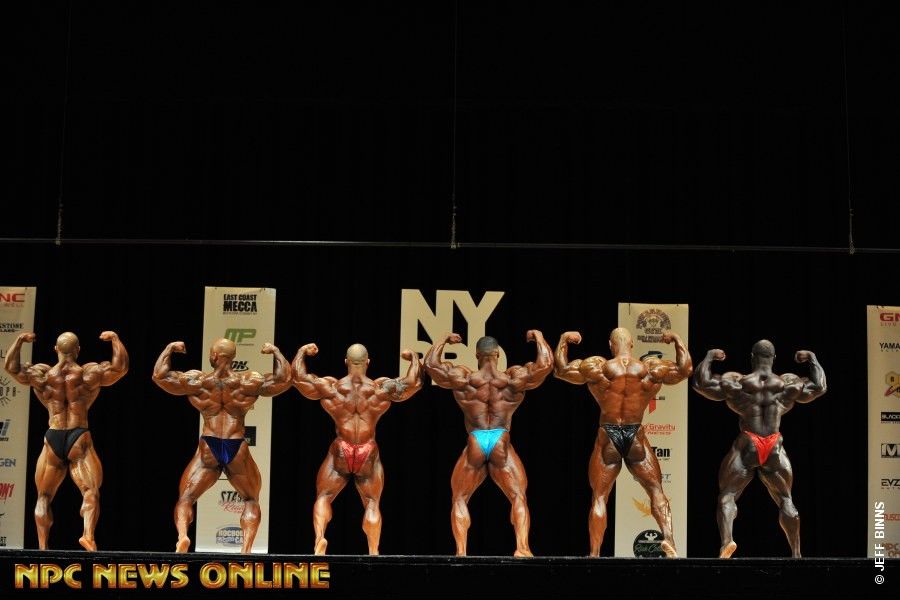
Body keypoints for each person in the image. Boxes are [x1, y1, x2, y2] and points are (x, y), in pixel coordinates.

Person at [554, 328, 691, 558]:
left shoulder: (597, 368)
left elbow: (561, 370)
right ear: (632, 344)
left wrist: (563, 339)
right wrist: (677, 339)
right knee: (656, 490)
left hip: (608, 435)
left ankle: (594, 554)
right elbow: (685, 369)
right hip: (635, 433)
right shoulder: (649, 368)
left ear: (611, 345)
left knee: (599, 496)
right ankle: (669, 541)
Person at [152, 338, 291, 553]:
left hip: (210, 444)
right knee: (251, 499)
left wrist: (169, 349)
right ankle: (246, 551)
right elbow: (284, 379)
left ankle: (182, 536)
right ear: (233, 357)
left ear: (214, 356)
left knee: (186, 498)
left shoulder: (198, 382)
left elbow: (159, 376)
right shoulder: (247, 382)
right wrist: (276, 351)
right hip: (236, 445)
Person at [692, 340, 826, 558]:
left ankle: (726, 542)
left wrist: (709, 357)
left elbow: (700, 384)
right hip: (774, 445)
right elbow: (819, 387)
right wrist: (812, 359)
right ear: (774, 358)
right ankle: (796, 554)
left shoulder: (738, 383)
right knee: (786, 499)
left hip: (748, 443)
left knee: (727, 496)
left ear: (752, 357)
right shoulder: (787, 384)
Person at [424, 330, 552, 557]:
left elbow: (431, 365)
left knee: (460, 498)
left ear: (477, 355)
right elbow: (545, 365)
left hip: (476, 438)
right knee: (518, 496)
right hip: (500, 439)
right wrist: (539, 337)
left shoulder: (464, 379)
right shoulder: (512, 379)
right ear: (497, 354)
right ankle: (522, 548)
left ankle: (461, 552)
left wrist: (442, 339)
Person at [292, 342, 422, 555]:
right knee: (372, 501)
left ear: (346, 362)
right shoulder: (380, 389)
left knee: (324, 496)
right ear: (368, 362)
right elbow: (414, 383)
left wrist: (302, 352)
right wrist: (414, 358)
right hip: (367, 449)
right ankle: (373, 551)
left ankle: (319, 538)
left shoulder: (332, 387)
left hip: (341, 447)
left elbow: (298, 378)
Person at [4, 330, 128, 550]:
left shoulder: (42, 375)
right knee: (90, 491)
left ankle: (43, 548)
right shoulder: (88, 374)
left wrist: (20, 340)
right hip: (79, 436)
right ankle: (88, 535)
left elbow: (11, 368)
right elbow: (120, 368)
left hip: (53, 437)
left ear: (56, 349)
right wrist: (115, 340)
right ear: (78, 350)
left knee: (43, 496)